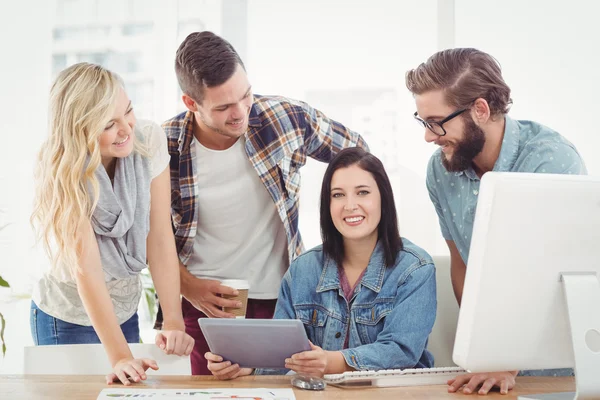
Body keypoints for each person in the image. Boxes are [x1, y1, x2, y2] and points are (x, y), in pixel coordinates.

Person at [161, 31, 368, 375]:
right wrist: (187, 286)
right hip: (206, 305)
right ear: (191, 103)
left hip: (282, 298)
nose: (240, 112)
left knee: (287, 392)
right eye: (224, 107)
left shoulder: (285, 118)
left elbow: (358, 154)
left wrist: (339, 222)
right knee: (214, 395)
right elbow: (151, 235)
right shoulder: (167, 145)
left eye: (245, 95)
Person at [405, 48, 587, 395]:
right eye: (423, 121)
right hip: (495, 365)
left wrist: (507, 360)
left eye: (436, 122)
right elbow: (462, 265)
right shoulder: (440, 169)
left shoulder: (551, 160)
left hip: (562, 368)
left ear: (480, 109)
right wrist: (486, 353)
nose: (429, 136)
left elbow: (548, 277)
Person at [205, 147, 437, 379]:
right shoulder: (302, 270)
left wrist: (332, 361)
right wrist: (247, 365)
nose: (350, 205)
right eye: (338, 195)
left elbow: (401, 351)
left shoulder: (415, 269)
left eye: (362, 192)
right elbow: (281, 353)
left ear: (383, 199)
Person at [30, 63, 194, 386]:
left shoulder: (148, 142)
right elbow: (86, 270)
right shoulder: (62, 170)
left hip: (123, 310)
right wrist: (120, 356)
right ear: (81, 131)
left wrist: (173, 319)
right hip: (67, 316)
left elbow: (159, 237)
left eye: (128, 111)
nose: (127, 129)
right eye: (109, 124)